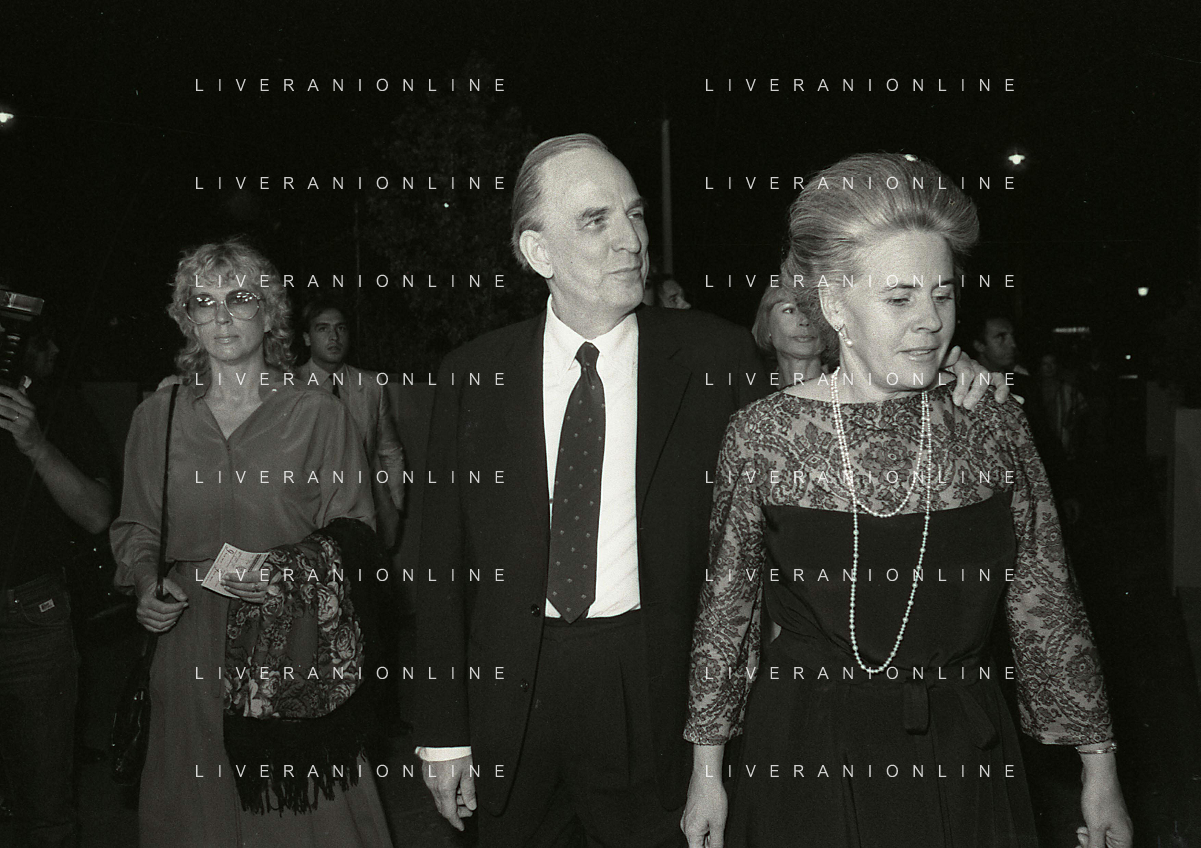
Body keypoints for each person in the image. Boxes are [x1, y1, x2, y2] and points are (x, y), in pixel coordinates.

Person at [413, 135, 1003, 847]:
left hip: (655, 699)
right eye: (597, 220)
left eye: (635, 213)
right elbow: (438, 562)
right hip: (512, 700)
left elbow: (831, 412)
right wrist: (442, 732)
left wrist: (938, 370)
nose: (632, 238)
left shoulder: (715, 358)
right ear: (538, 252)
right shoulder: (473, 374)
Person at [681, 153, 1132, 848]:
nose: (930, 322)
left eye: (943, 295)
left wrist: (1099, 773)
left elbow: (1047, 604)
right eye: (899, 299)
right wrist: (706, 774)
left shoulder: (992, 425)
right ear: (836, 305)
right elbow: (725, 617)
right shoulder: (764, 435)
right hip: (803, 753)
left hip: (963, 754)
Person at [110, 240, 392, 848]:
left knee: (303, 824)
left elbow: (359, 532)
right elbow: (137, 526)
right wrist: (144, 582)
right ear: (186, 318)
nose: (221, 315)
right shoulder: (157, 417)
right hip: (186, 640)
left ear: (270, 314)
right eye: (202, 301)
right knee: (196, 821)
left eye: (240, 298)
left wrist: (287, 571)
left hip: (289, 643)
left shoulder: (318, 415)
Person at [0, 317, 113, 848]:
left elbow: (96, 514)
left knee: (45, 813)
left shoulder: (56, 406)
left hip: (31, 617)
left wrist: (35, 444)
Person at [296, 298, 406, 550]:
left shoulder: (371, 386)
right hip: (308, 517)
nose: (333, 337)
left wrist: (395, 505)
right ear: (307, 338)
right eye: (323, 328)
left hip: (364, 514)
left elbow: (389, 450)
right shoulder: (290, 384)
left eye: (341, 328)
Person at [750, 279, 832, 388]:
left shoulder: (848, 389)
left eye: (813, 311)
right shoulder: (752, 389)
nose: (804, 321)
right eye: (789, 310)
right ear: (767, 324)